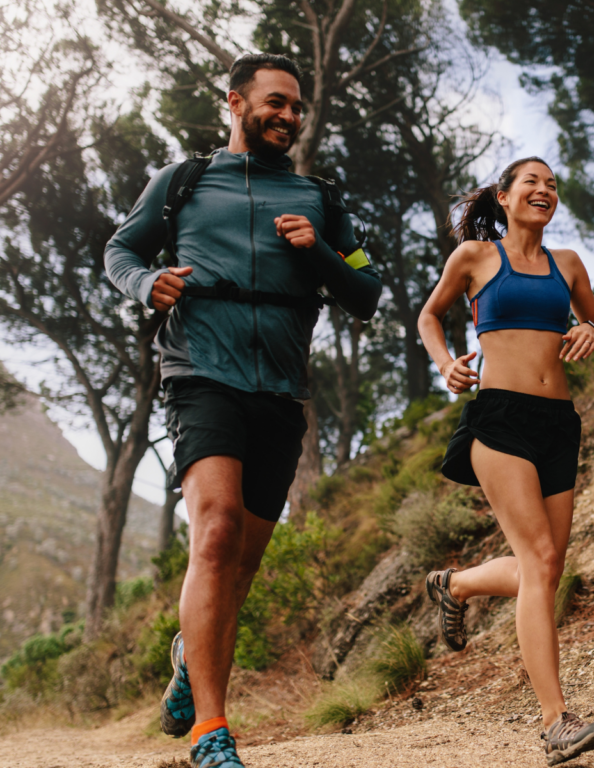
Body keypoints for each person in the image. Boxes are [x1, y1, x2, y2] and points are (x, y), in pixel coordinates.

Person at [104, 53, 382, 768]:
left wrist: (317, 248)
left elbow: (366, 288)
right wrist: (147, 283)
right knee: (217, 532)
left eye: (296, 107)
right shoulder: (185, 180)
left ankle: (185, 661)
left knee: (242, 567)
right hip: (201, 369)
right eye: (276, 102)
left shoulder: (320, 198)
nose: (289, 115)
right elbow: (121, 250)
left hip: (282, 391)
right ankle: (211, 731)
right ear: (235, 102)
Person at [417, 157, 594, 766]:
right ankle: (556, 722)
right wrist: (446, 361)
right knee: (542, 559)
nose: (545, 191)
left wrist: (593, 332)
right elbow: (429, 315)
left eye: (552, 186)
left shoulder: (568, 264)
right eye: (533, 182)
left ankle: (457, 584)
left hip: (559, 423)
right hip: (499, 418)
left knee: (545, 572)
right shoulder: (475, 258)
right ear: (503, 196)